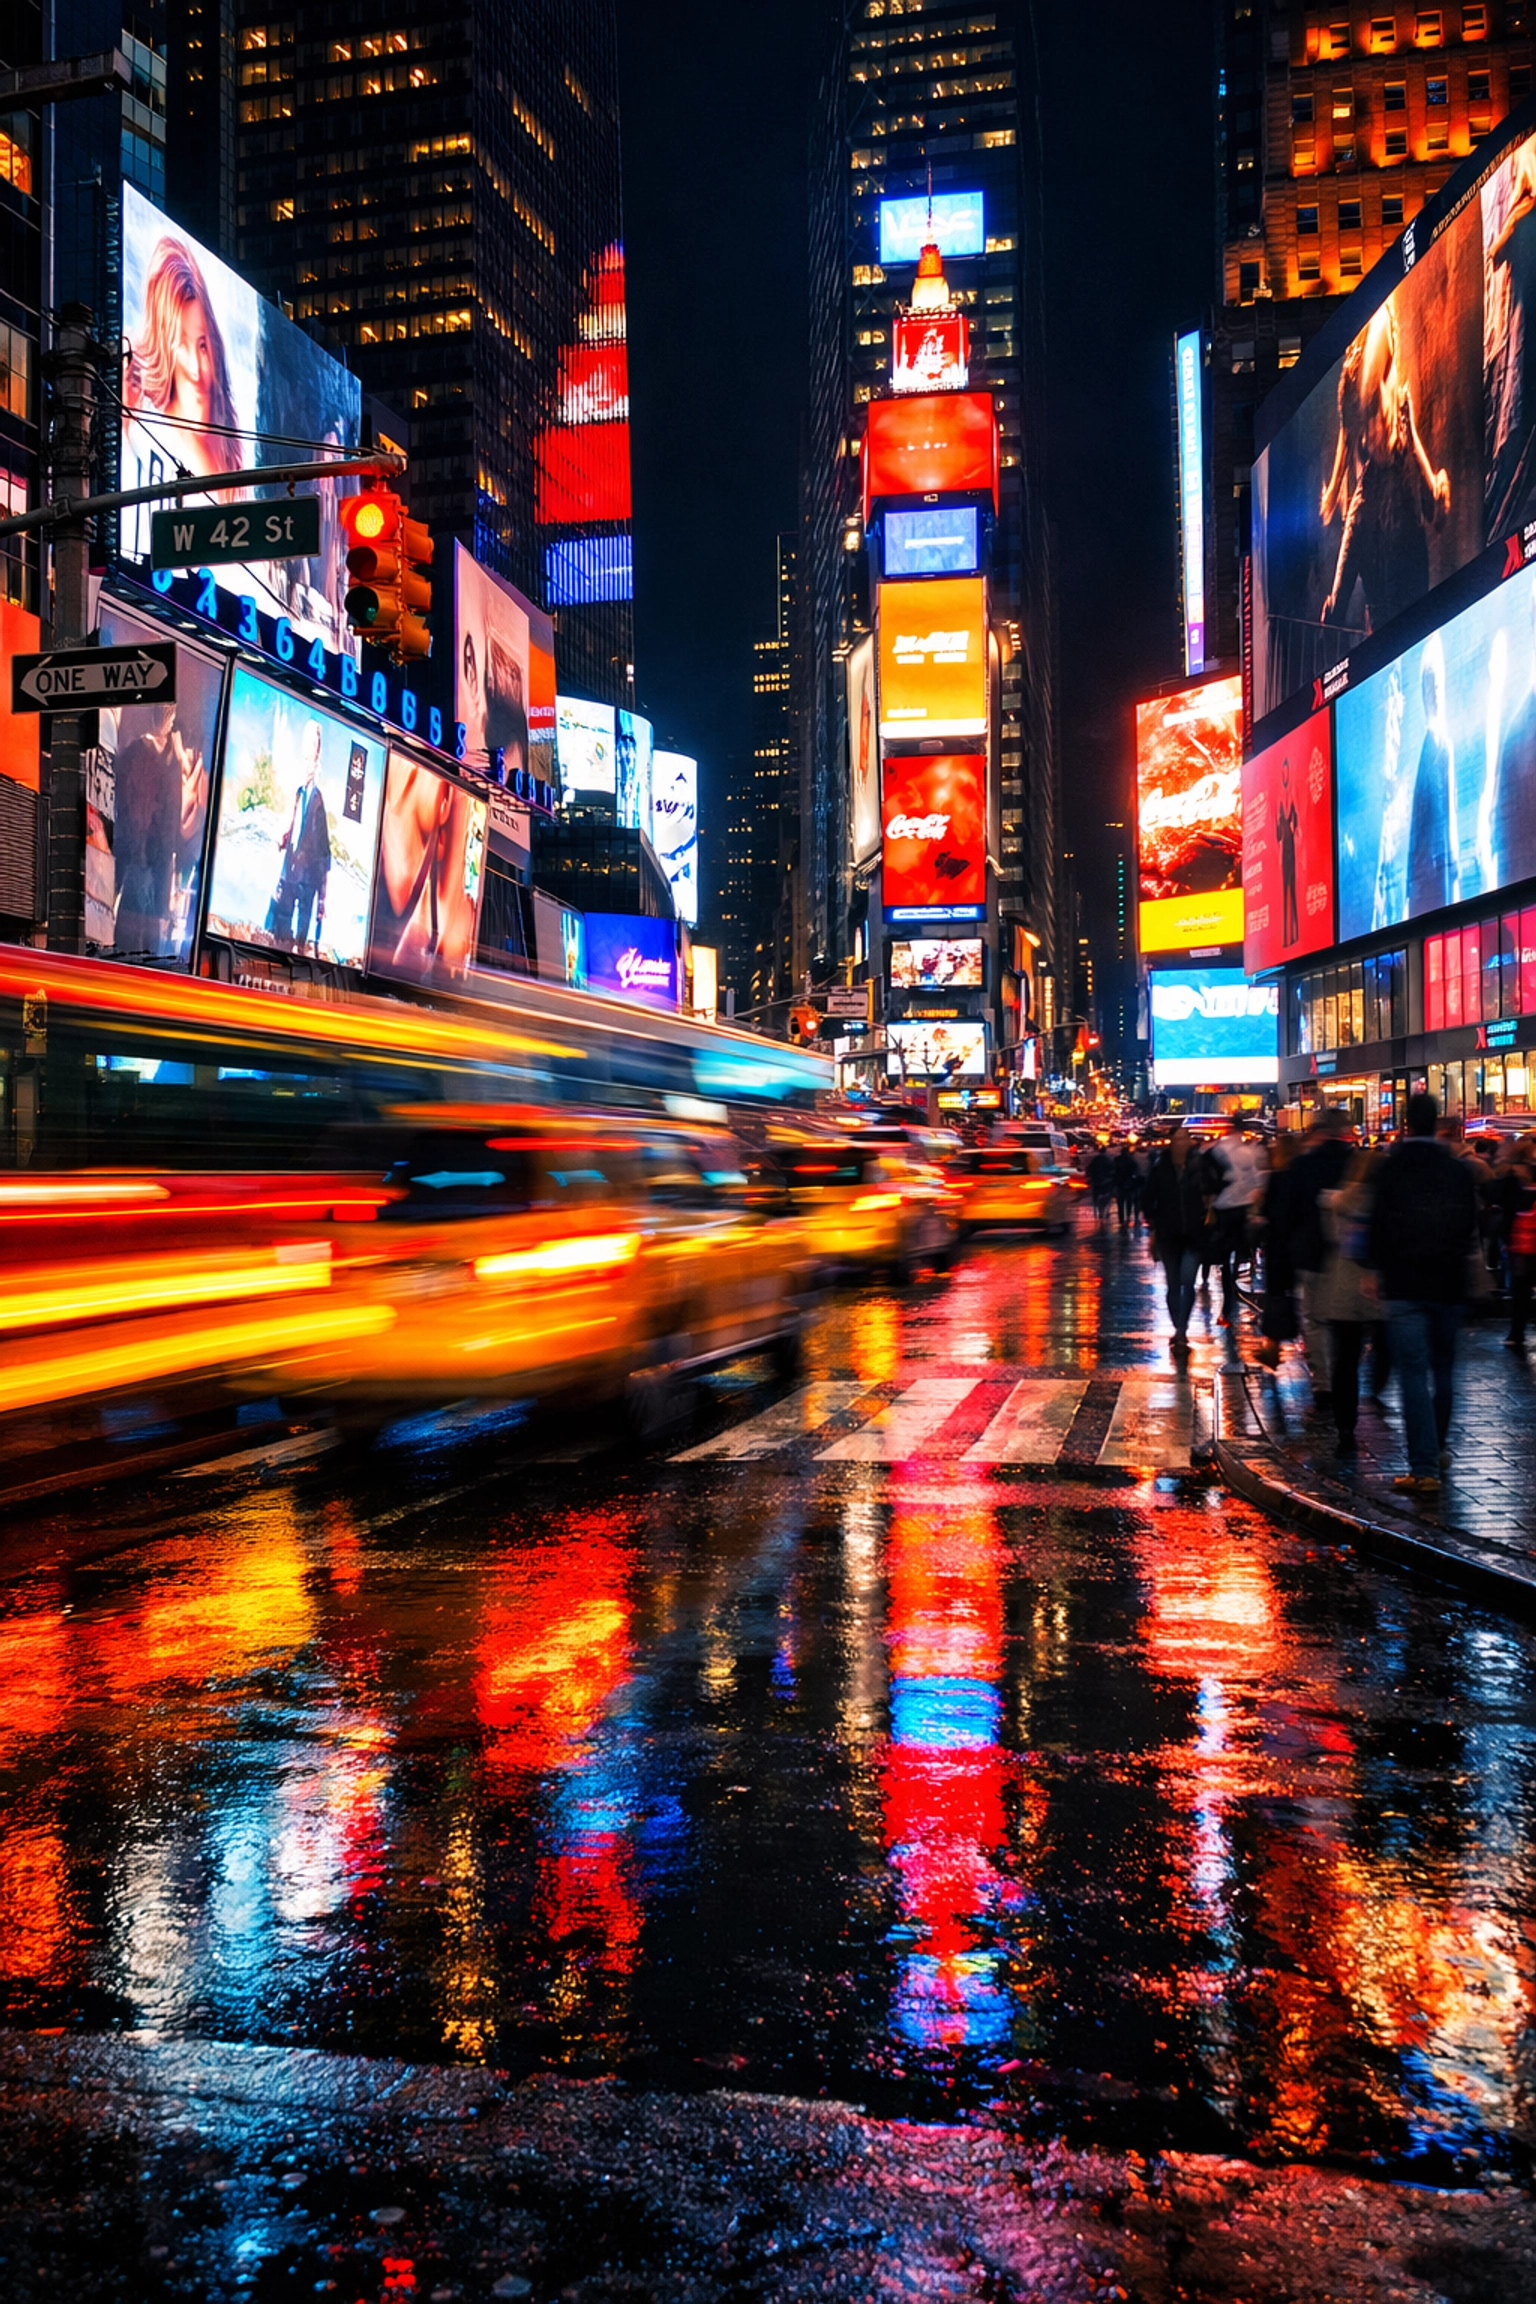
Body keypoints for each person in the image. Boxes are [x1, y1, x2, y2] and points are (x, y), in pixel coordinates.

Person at [1366, 1091, 1479, 1494]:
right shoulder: (1457, 1170)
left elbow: (1378, 1223)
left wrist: (1374, 1268)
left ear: (1406, 1123)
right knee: (1444, 1370)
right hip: (1448, 1281)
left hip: (1404, 1282)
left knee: (1412, 1372)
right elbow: (1469, 1223)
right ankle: (1439, 1446)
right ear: (1438, 1124)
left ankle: (1424, 1466)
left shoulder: (1391, 1168)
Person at [124, 234, 243, 483]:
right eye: (180, 345)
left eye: (202, 345)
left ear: (215, 349)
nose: (195, 370)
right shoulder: (148, 440)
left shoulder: (232, 447)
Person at [1317, 1147, 1385, 1461]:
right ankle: (1380, 1381)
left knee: (1344, 1360)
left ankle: (1346, 1424)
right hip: (1379, 1284)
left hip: (1344, 1285)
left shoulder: (1339, 1200)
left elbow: (1329, 1235)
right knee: (1384, 1343)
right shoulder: (1389, 1201)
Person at [1286, 1108, 1357, 1400]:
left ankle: (1323, 1380)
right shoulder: (1358, 1163)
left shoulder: (1303, 1165)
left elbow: (1291, 1212)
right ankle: (1345, 1372)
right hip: (1351, 1254)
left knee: (1314, 1319)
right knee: (1348, 1319)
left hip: (1311, 1251)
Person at [1145, 1126, 1211, 1359]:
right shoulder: (1160, 1169)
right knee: (1174, 1284)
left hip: (1194, 1234)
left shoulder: (1200, 1167)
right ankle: (1178, 1326)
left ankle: (1182, 1329)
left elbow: (1214, 1188)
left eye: (1185, 1139)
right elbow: (1148, 1198)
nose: (1182, 1143)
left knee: (1187, 1281)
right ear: (1171, 1142)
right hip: (1169, 1235)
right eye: (1178, 1139)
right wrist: (1155, 1222)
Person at [273, 723, 332, 954]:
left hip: (308, 882)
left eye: (313, 747)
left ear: (318, 754)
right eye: (306, 746)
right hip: (289, 873)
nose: (308, 754)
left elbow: (325, 853)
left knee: (299, 942)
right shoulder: (295, 791)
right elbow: (284, 832)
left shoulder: (318, 800)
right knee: (279, 934)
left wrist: (323, 898)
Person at [1207, 1115, 1266, 1329]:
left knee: (1223, 1256)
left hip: (1221, 1208)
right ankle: (1233, 1283)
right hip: (1242, 1210)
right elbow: (1257, 1182)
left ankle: (1227, 1292)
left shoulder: (1218, 1149)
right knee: (1239, 1253)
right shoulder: (1249, 1153)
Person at [1252, 1132, 1299, 1370]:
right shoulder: (1300, 1176)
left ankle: (1272, 1347)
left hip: (1278, 1246)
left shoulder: (1276, 1178)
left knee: (1276, 1297)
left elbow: (1267, 1212)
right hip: (1299, 1245)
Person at [1497, 1132, 1536, 1351]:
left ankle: (1517, 1332)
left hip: (1518, 1242)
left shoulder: (1510, 1178)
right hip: (1528, 1239)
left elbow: (1498, 1199)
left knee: (1520, 1290)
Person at [1112, 1140, 1139, 1230]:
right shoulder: (1131, 1161)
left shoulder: (1117, 1160)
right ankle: (1127, 1216)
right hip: (1129, 1183)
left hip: (1119, 1183)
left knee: (1120, 1202)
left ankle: (1121, 1219)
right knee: (1129, 1201)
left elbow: (1114, 1172)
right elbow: (1135, 1171)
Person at [1087, 1143, 1114, 1226]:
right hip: (1106, 1181)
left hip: (1096, 1182)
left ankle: (1099, 1211)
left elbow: (1089, 1169)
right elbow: (1112, 1170)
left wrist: (1090, 1177)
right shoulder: (1108, 1160)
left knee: (1097, 1198)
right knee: (1106, 1197)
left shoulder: (1095, 1160)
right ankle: (1105, 1211)